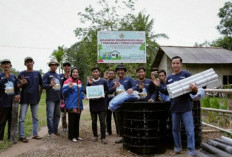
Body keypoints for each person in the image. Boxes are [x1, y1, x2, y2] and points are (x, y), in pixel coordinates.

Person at [162, 56, 198, 156]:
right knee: (175, 130)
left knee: (189, 130)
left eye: (177, 63)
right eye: (173, 63)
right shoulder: (169, 77)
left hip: (186, 107)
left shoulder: (186, 74)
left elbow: (194, 92)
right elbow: (167, 92)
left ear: (181, 64)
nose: (175, 65)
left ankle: (191, 151)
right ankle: (177, 148)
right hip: (174, 107)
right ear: (171, 64)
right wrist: (158, 86)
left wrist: (194, 88)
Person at [17, 57, 43, 143]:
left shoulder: (37, 73)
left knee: (35, 117)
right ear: (25, 64)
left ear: (33, 62)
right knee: (22, 118)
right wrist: (21, 83)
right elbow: (17, 86)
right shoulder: (21, 74)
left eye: (30, 62)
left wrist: (39, 96)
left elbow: (41, 85)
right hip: (24, 98)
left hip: (35, 99)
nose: (29, 63)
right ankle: (21, 135)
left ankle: (35, 134)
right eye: (27, 62)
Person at [108, 64, 135, 143]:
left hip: (128, 104)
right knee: (119, 121)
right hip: (118, 105)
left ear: (124, 71)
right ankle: (122, 137)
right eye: (118, 70)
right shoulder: (114, 81)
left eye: (122, 70)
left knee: (128, 120)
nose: (120, 71)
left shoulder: (129, 79)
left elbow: (135, 86)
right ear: (116, 72)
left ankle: (130, 136)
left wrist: (131, 88)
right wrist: (114, 87)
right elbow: (109, 91)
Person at [86, 67, 108, 144]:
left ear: (99, 72)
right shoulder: (89, 81)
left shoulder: (104, 81)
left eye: (96, 72)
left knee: (102, 122)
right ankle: (95, 135)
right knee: (94, 121)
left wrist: (104, 94)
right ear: (92, 73)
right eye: (93, 72)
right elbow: (86, 91)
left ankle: (103, 137)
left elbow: (107, 90)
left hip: (102, 104)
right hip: (93, 104)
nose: (95, 73)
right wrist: (89, 84)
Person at [0, 59, 20, 142]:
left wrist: (19, 95)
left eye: (7, 64)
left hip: (13, 103)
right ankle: (0, 138)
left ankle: (10, 137)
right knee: (2, 121)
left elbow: (17, 89)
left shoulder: (13, 76)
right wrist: (5, 78)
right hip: (2, 103)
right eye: (4, 64)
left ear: (10, 66)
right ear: (1, 66)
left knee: (12, 121)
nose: (5, 66)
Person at [62, 67, 84, 143]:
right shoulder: (67, 81)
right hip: (71, 104)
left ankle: (77, 135)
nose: (75, 73)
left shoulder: (79, 82)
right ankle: (71, 136)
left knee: (77, 120)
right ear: (71, 73)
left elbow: (81, 92)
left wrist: (84, 97)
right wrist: (68, 87)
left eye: (76, 72)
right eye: (74, 72)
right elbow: (63, 92)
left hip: (79, 104)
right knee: (72, 121)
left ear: (78, 73)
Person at [42, 59, 62, 137]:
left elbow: (60, 87)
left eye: (55, 65)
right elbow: (43, 85)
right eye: (52, 65)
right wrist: (50, 85)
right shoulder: (47, 75)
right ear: (50, 66)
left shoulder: (58, 75)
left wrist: (62, 97)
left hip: (58, 98)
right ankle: (51, 132)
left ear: (57, 66)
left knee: (57, 115)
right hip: (50, 99)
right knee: (50, 116)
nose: (54, 66)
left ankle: (55, 130)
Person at [105, 69, 118, 135]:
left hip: (115, 102)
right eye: (109, 73)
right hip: (107, 102)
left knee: (116, 117)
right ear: (107, 75)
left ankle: (118, 131)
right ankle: (109, 131)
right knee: (108, 117)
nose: (111, 74)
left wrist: (115, 87)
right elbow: (106, 92)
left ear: (114, 74)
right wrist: (113, 88)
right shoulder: (105, 82)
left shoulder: (117, 81)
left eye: (112, 73)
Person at [60, 62, 71, 132]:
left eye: (68, 66)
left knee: (71, 112)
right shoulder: (60, 76)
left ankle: (71, 126)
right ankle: (64, 127)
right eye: (65, 66)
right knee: (63, 113)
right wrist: (61, 97)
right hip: (62, 97)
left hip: (70, 97)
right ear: (63, 68)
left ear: (70, 67)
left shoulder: (73, 75)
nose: (66, 67)